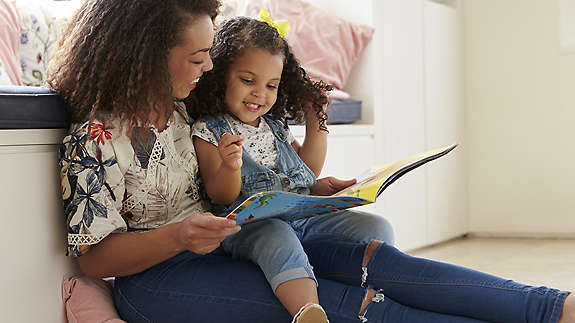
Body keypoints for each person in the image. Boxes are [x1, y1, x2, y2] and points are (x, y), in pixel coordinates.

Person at [48, 0, 574, 322]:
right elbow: (95, 259)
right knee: (353, 305)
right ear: (143, 56)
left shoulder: (191, 112)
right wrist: (180, 236)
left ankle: (552, 307)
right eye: (196, 58)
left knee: (380, 261)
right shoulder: (91, 141)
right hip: (160, 281)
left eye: (210, 54)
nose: (208, 67)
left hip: (237, 245)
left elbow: (256, 148)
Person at [188, 11, 337, 322]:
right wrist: (230, 166)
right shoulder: (210, 129)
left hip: (297, 217)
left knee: (372, 226)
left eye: (271, 85)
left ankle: (368, 274)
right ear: (220, 75)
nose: (260, 93)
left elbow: (306, 170)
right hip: (249, 229)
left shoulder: (274, 127)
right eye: (247, 81)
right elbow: (220, 195)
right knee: (277, 235)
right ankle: (307, 310)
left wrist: (316, 121)